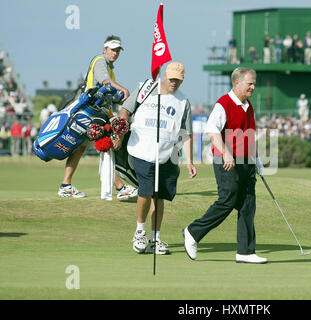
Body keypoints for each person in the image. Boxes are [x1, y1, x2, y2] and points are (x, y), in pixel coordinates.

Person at [182, 67, 267, 264]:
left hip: (246, 162)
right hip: (226, 161)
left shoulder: (248, 105)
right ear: (237, 83)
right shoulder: (223, 104)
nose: (253, 87)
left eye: (254, 83)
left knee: (248, 204)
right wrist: (227, 153)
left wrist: (256, 159)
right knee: (227, 201)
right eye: (250, 83)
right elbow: (211, 131)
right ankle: (192, 232)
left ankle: (245, 251)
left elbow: (248, 134)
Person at [118, 62, 197, 254]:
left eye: (178, 80)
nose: (174, 83)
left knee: (160, 196)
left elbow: (186, 133)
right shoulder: (146, 87)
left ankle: (155, 238)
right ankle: (139, 232)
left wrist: (189, 161)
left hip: (167, 154)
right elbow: (125, 111)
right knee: (145, 191)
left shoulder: (183, 102)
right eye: (171, 79)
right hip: (141, 149)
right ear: (165, 76)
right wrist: (119, 133)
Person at [57, 35, 135, 200]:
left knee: (81, 147)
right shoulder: (100, 61)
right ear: (104, 49)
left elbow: (107, 94)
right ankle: (120, 188)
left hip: (94, 113)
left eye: (118, 51)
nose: (115, 53)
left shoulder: (110, 68)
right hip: (90, 112)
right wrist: (124, 89)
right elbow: (105, 81)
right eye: (112, 50)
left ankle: (65, 185)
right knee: (105, 144)